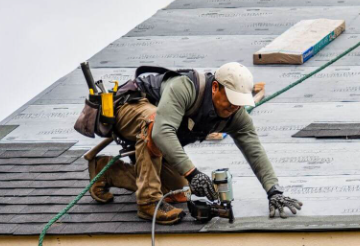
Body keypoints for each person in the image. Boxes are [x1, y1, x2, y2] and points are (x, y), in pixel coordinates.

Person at [88, 62, 302, 225]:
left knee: (178, 192)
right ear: (216, 87)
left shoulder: (235, 114)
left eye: (239, 103)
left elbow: (254, 149)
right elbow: (162, 131)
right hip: (130, 108)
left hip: (154, 142)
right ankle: (147, 203)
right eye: (230, 100)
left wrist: (274, 191)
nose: (234, 107)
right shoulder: (185, 87)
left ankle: (107, 172)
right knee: (154, 122)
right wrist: (193, 172)